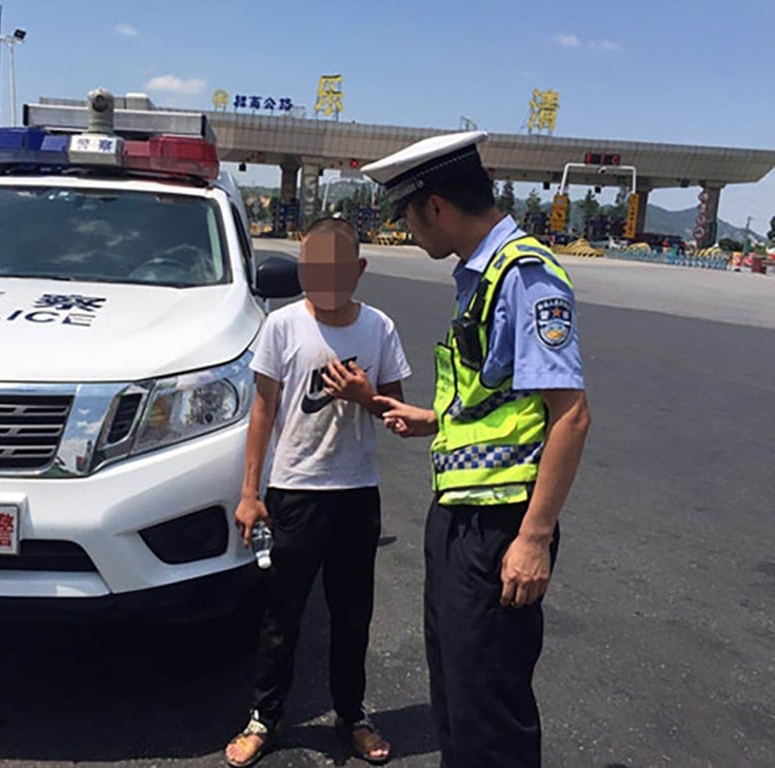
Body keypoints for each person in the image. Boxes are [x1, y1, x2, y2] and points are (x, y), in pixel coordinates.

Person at [360, 132, 592, 768]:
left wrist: (534, 538)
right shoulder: (480, 276)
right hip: (460, 514)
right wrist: (434, 418)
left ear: (435, 206)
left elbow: (570, 417)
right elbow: (495, 394)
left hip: (502, 525)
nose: (408, 233)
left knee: (490, 708)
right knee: (456, 696)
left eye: (406, 217)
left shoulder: (526, 276)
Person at [224, 216, 412, 767]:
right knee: (283, 614)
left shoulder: (379, 328)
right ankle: (266, 714)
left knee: (353, 614)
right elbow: (262, 409)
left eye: (334, 268)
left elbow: (397, 412)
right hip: (295, 490)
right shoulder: (281, 326)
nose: (323, 278)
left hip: (356, 492)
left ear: (358, 269)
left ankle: (351, 713)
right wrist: (249, 491)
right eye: (313, 267)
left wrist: (365, 396)